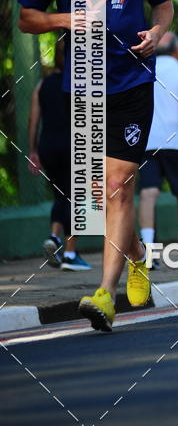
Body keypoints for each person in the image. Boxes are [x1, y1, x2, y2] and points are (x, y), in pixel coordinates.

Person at [18, 0, 173, 331]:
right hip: (82, 83)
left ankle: (105, 294)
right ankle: (138, 256)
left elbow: (162, 4)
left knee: (117, 186)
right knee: (99, 193)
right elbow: (26, 18)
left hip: (133, 82)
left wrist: (158, 32)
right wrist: (69, 17)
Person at [138, 32, 178, 267]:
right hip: (177, 141)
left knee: (148, 192)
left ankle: (147, 251)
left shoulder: (144, 69)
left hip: (147, 141)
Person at [27, 38, 92, 270]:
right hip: (74, 146)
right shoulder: (82, 82)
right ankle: (71, 254)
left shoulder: (42, 85)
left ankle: (54, 238)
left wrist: (33, 151)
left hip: (48, 146)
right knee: (78, 198)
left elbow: (33, 120)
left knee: (60, 195)